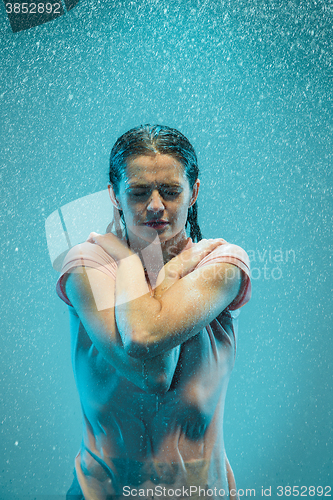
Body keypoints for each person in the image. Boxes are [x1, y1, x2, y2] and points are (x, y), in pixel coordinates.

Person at [56, 124, 251, 500]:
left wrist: (148, 264)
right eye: (139, 192)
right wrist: (140, 263)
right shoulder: (86, 264)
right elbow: (154, 368)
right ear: (114, 195)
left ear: (193, 192)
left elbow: (147, 335)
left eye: (172, 191)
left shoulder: (222, 262)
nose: (156, 205)